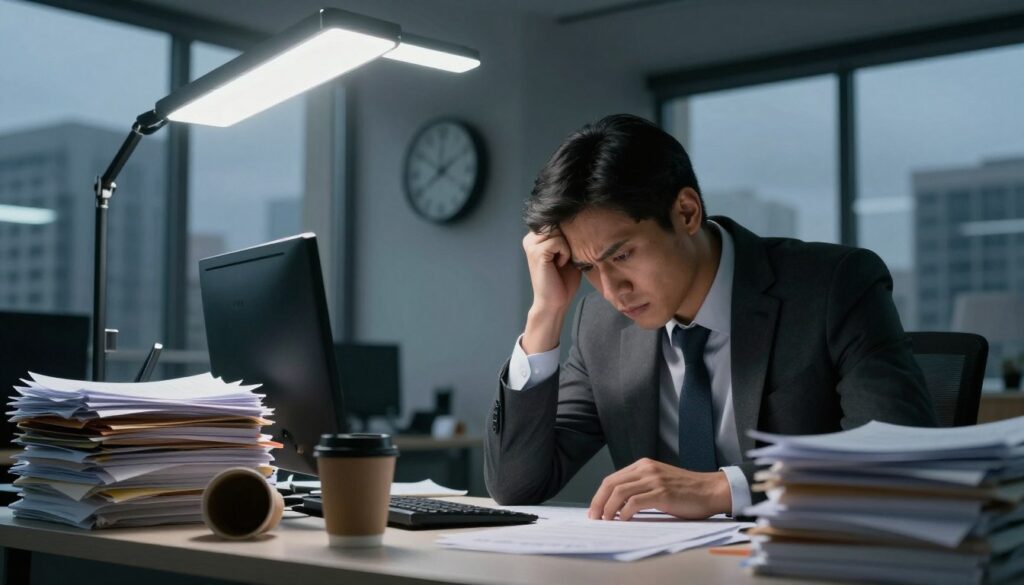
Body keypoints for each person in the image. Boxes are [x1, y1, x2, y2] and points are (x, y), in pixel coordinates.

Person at [483, 114, 937, 521]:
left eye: (621, 255)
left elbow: (893, 452)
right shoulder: (600, 325)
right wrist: (545, 313)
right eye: (587, 268)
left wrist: (726, 488)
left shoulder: (832, 286)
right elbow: (517, 485)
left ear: (686, 212)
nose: (610, 289)